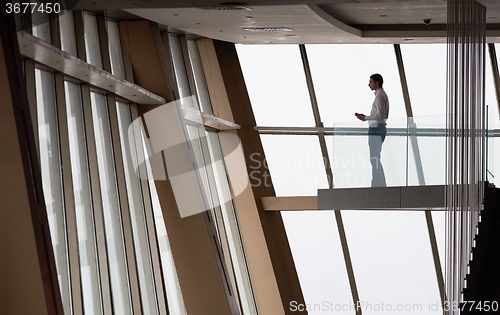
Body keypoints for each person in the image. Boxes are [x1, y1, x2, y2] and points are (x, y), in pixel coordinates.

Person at [355, 73, 389, 187]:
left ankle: (378, 183)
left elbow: (379, 116)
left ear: (376, 83)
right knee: (375, 158)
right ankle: (378, 182)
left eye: (370, 82)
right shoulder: (380, 95)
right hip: (378, 129)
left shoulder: (379, 96)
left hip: (376, 129)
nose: (369, 84)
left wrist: (365, 118)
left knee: (374, 158)